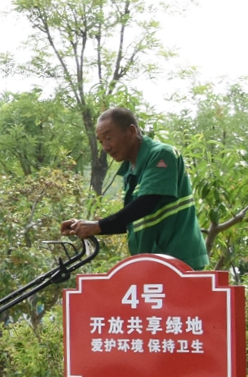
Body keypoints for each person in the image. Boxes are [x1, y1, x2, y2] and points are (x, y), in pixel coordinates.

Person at [62, 106, 208, 269]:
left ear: (131, 131)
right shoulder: (129, 171)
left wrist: (98, 226)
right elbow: (130, 220)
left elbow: (145, 204)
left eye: (109, 138)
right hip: (151, 264)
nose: (106, 147)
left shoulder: (162, 154)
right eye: (101, 141)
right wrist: (87, 226)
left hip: (178, 261)